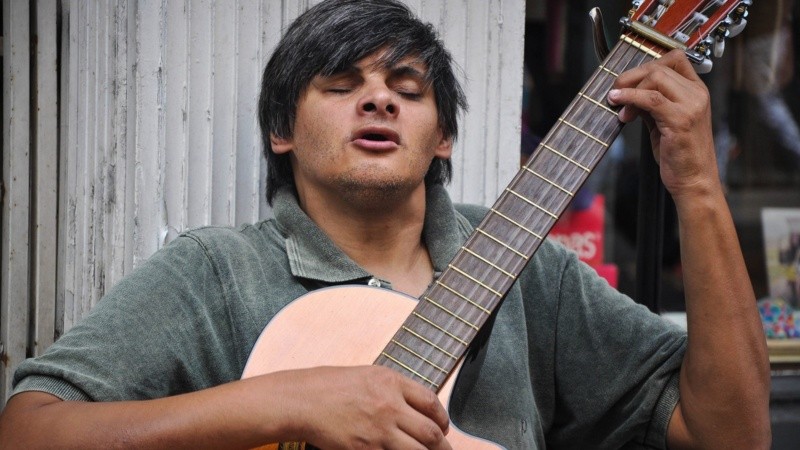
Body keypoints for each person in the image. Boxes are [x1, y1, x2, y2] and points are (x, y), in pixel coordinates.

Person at [0, 0, 770, 448]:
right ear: (283, 131)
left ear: (443, 138)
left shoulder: (531, 265)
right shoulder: (216, 273)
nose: (379, 101)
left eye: (407, 87)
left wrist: (697, 188)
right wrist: (293, 402)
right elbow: (30, 429)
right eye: (341, 85)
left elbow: (730, 435)